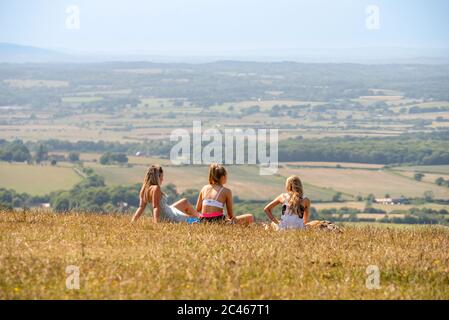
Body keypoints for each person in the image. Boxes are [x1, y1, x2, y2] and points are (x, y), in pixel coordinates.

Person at [131, 165, 200, 223]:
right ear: (157, 177)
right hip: (170, 216)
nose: (162, 179)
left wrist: (133, 221)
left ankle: (200, 216)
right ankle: (201, 220)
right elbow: (156, 207)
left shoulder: (144, 189)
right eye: (161, 177)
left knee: (184, 201)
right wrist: (156, 223)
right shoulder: (155, 188)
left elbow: (141, 207)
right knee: (194, 221)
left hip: (168, 210)